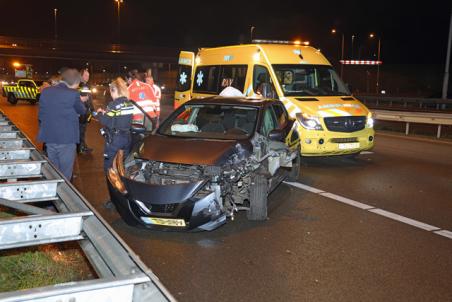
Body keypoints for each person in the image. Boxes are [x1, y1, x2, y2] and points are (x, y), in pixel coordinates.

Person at [37, 68, 88, 180]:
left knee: (54, 170)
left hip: (49, 138)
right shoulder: (73, 94)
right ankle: (64, 195)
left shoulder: (46, 91)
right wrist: (81, 101)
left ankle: (54, 192)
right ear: (74, 82)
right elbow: (82, 111)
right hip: (66, 139)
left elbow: (41, 115)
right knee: (65, 173)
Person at [96, 77, 134, 172]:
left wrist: (100, 113)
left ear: (115, 90)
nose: (111, 95)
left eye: (111, 92)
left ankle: (112, 185)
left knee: (109, 166)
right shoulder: (129, 103)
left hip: (116, 139)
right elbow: (121, 117)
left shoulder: (113, 104)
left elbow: (104, 121)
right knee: (123, 163)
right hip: (127, 137)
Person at [78, 68, 94, 153]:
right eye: (86, 75)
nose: (87, 77)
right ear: (81, 76)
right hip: (83, 112)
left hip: (82, 112)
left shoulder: (82, 85)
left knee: (82, 130)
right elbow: (87, 100)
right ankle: (81, 148)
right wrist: (91, 110)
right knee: (81, 130)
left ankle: (81, 147)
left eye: (88, 75)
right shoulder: (82, 85)